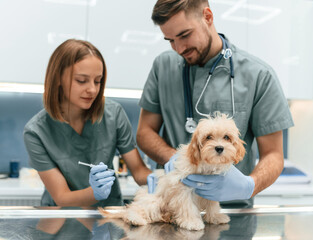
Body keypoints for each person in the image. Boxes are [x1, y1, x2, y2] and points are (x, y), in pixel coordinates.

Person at [137, 0, 294, 207]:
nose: (179, 48)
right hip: (173, 205)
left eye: (185, 35)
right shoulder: (163, 66)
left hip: (230, 211)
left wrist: (249, 185)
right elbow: (144, 132)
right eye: (170, 40)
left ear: (208, 17)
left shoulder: (258, 76)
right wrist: (177, 159)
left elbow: (273, 154)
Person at [24, 39, 151, 207]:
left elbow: (138, 170)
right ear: (58, 78)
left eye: (97, 81)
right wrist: (95, 193)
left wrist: (163, 180)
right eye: (81, 81)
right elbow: (62, 196)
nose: (92, 89)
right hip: (63, 220)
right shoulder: (36, 132)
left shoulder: (113, 114)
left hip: (106, 217)